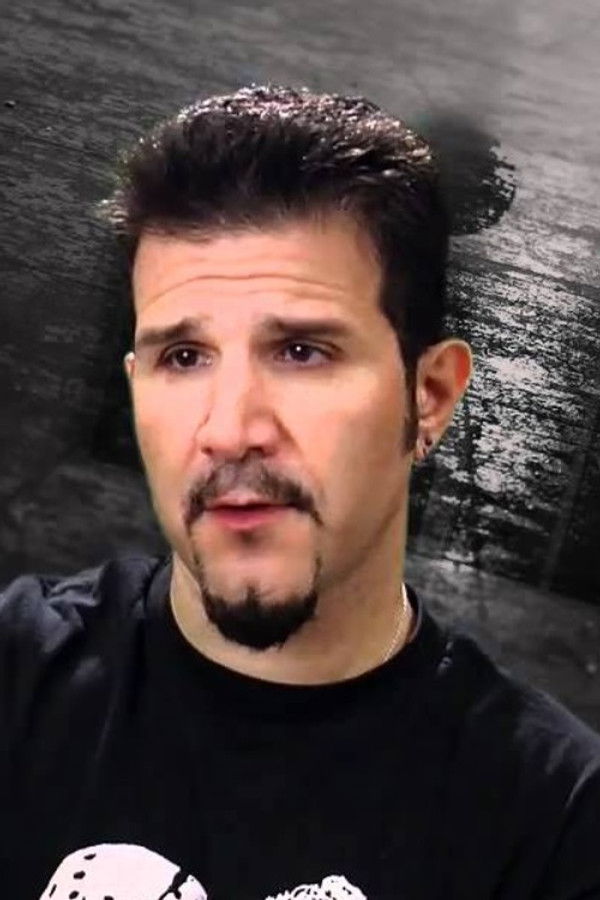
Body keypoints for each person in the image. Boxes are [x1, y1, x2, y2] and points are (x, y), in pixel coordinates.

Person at [1, 85, 598, 900]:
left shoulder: (557, 829)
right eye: (183, 358)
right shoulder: (17, 678)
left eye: (303, 351)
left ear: (428, 396)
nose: (229, 428)